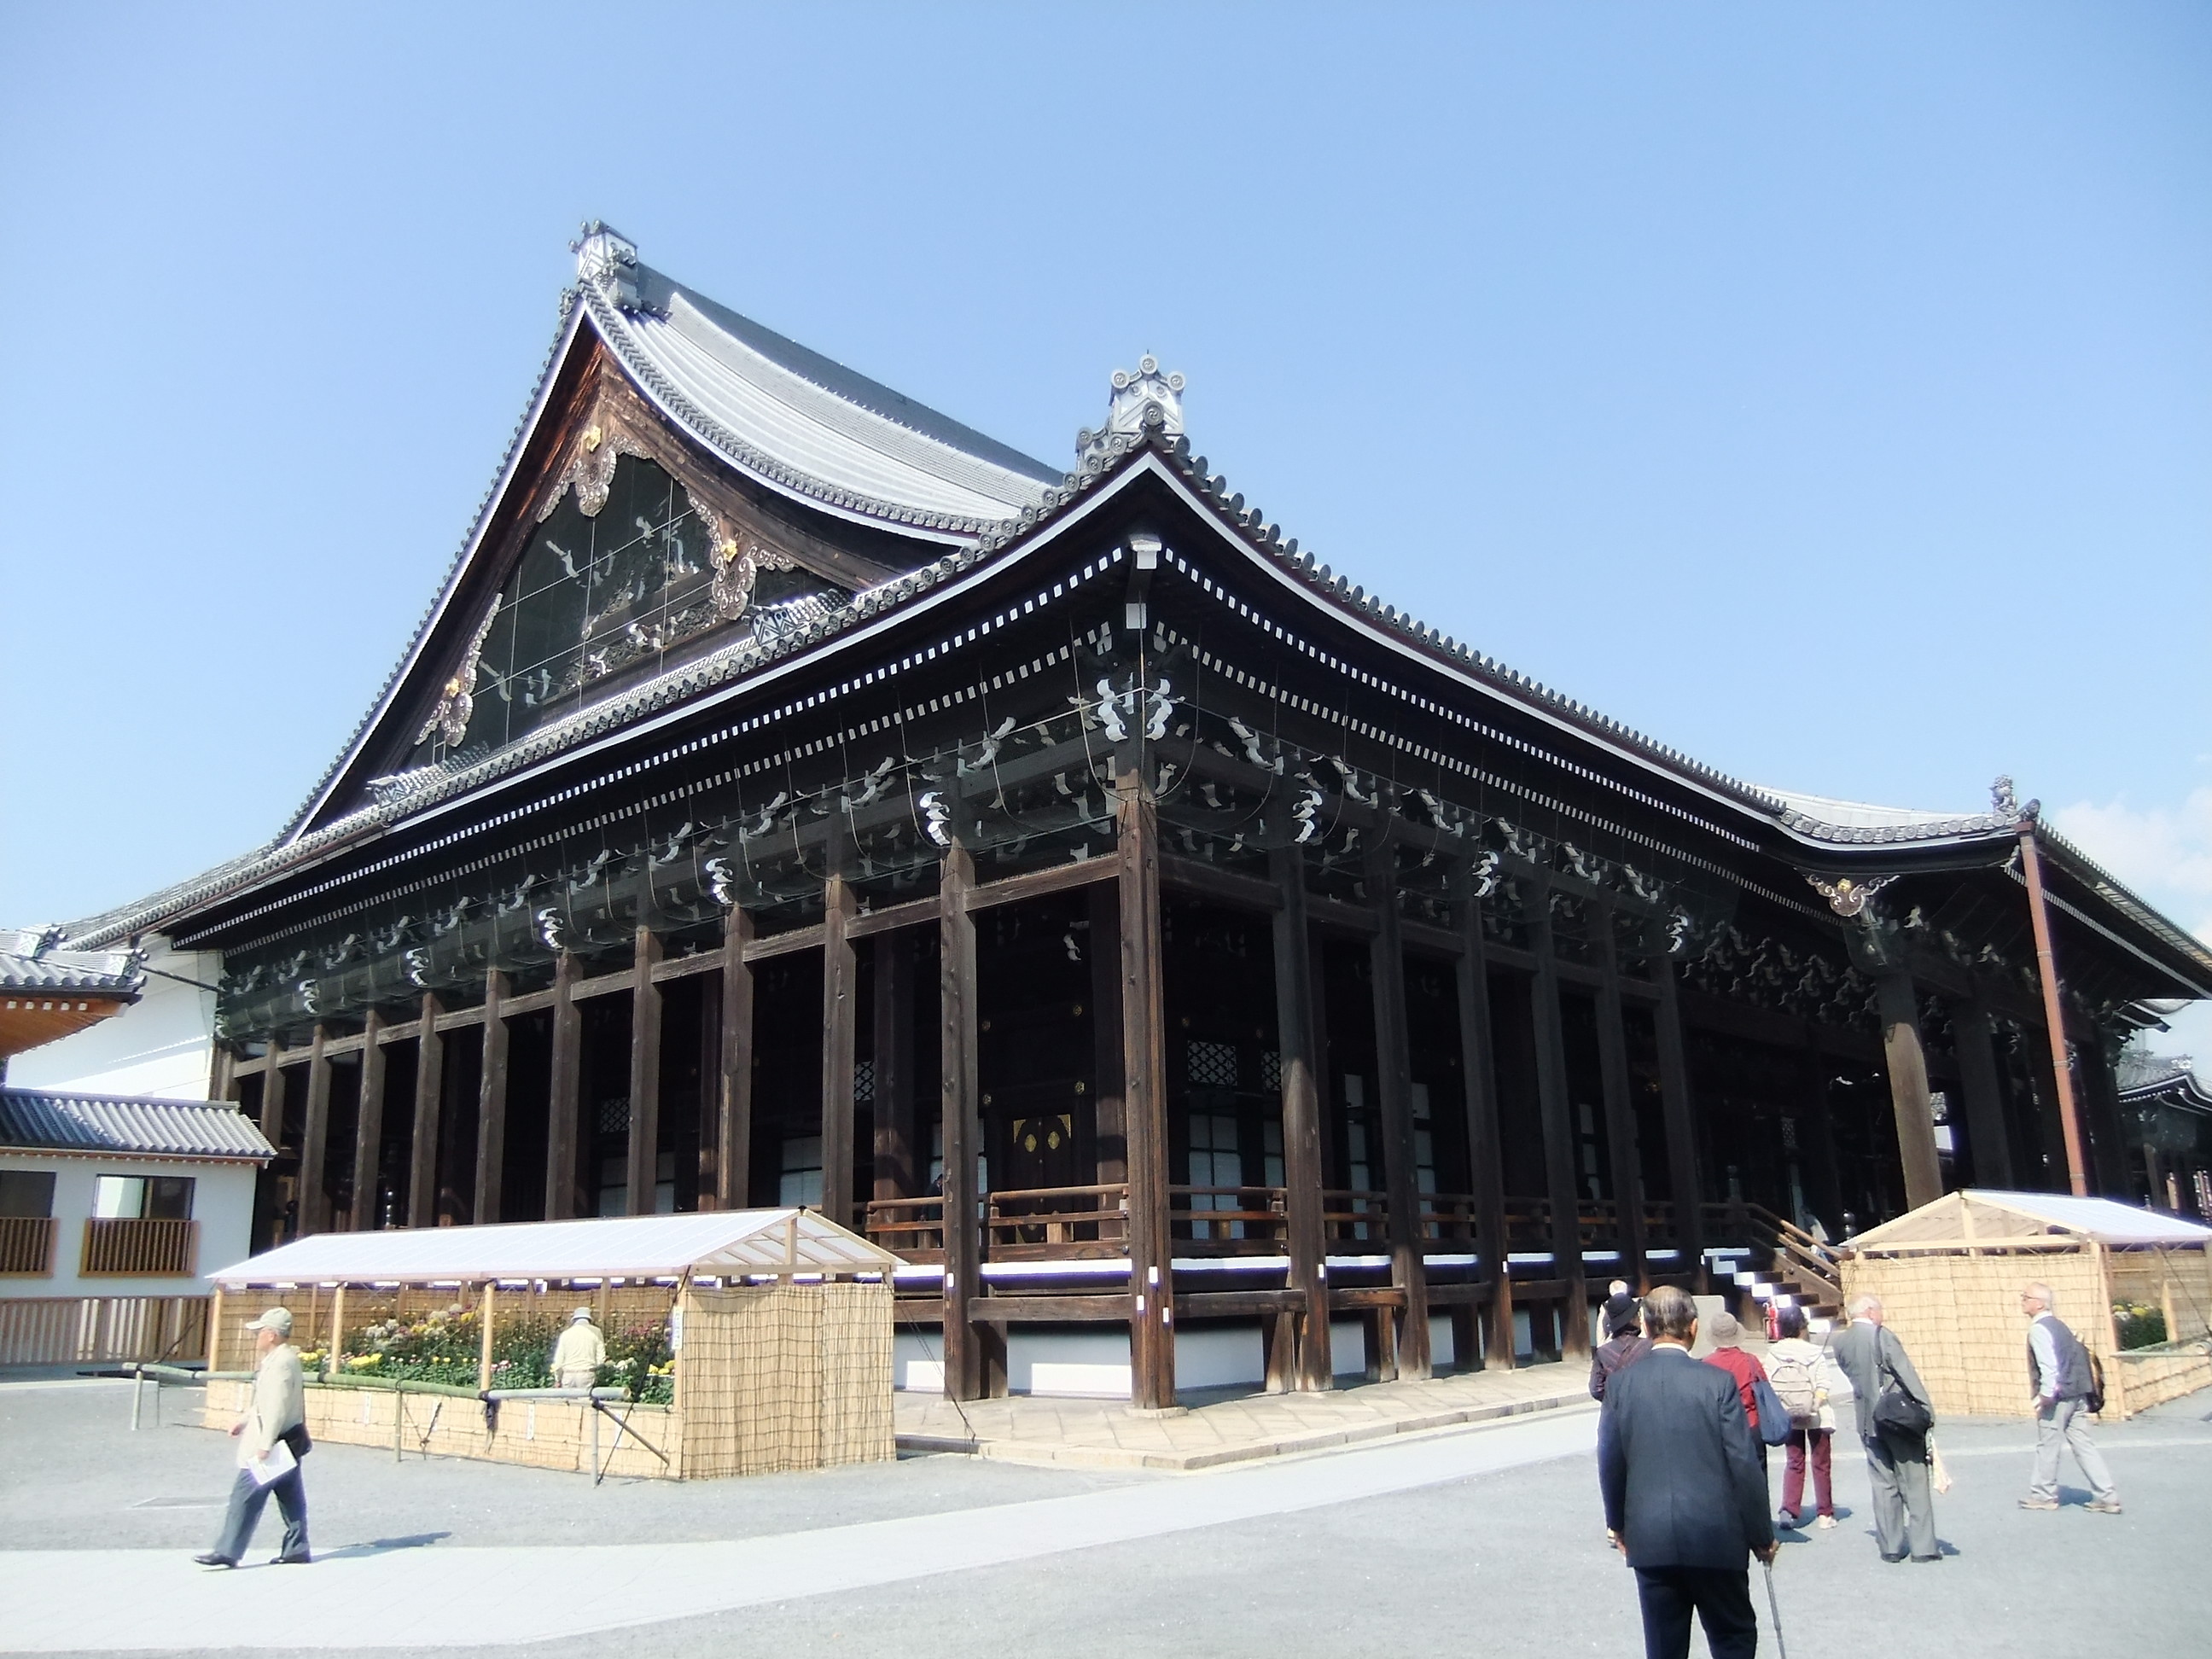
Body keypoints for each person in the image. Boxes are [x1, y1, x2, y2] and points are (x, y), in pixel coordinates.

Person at [1599, 1284, 1777, 1659]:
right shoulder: (1717, 1382)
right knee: (1733, 1638)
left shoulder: (1620, 1385)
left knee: (1665, 1647)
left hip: (1651, 1537)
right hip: (1716, 1534)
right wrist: (1761, 1533)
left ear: (1647, 1327)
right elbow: (1743, 1463)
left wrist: (1618, 1524)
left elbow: (1611, 1462)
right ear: (1693, 1327)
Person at [195, 1307, 310, 1569]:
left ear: (271, 1335)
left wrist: (264, 1445)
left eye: (260, 1332)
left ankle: (227, 1551)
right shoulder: (282, 1359)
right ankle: (297, 1548)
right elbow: (265, 1402)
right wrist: (243, 1420)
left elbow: (277, 1407)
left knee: (244, 1496)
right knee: (291, 1498)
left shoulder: (281, 1363)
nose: (256, 1337)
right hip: (288, 1441)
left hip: (274, 1442)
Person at [1832, 1293, 1937, 1563]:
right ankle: (1923, 1547)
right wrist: (1926, 1409)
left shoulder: (1840, 1341)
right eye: (1879, 1310)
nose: (1882, 1315)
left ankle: (1890, 1545)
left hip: (1866, 1418)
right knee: (1913, 1480)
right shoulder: (1882, 1336)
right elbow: (1906, 1374)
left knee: (1882, 1482)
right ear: (1870, 1311)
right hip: (1896, 1418)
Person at [2018, 1283, 2120, 1514]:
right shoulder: (2060, 1326)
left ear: (2039, 1303)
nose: (2022, 1300)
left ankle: (2043, 1495)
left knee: (2048, 1445)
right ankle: (2107, 1496)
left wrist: (2045, 1395)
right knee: (2084, 1445)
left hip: (2058, 1397)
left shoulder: (2039, 1329)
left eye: (2026, 1297)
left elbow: (2049, 1366)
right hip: (2078, 1393)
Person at [1766, 1307, 1841, 1529]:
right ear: (1802, 1327)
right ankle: (1825, 1513)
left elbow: (1768, 1382)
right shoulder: (1814, 1352)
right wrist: (1815, 1403)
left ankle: (1789, 1509)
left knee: (1794, 1461)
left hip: (1788, 1413)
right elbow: (1824, 1383)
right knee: (1821, 1463)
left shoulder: (1774, 1353)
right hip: (1817, 1414)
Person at [1700, 1313, 1772, 1466]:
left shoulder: (1705, 1365)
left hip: (1720, 1430)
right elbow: (1763, 1392)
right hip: (1751, 1426)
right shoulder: (1751, 1361)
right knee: (1758, 1475)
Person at [1590, 1294, 1651, 1402]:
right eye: (1637, 1314)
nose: (1640, 1319)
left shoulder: (1603, 1352)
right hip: (1645, 1406)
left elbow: (1595, 1389)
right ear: (1631, 1319)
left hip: (1616, 1409)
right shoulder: (1649, 1346)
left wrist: (1615, 1401)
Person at [551, 1306, 607, 1390]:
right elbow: (601, 1359)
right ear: (589, 1319)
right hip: (586, 1373)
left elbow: (558, 1361)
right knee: (584, 1399)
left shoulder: (566, 1334)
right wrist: (595, 1368)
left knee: (568, 1398)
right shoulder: (596, 1332)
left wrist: (557, 1379)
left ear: (574, 1320)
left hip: (568, 1374)